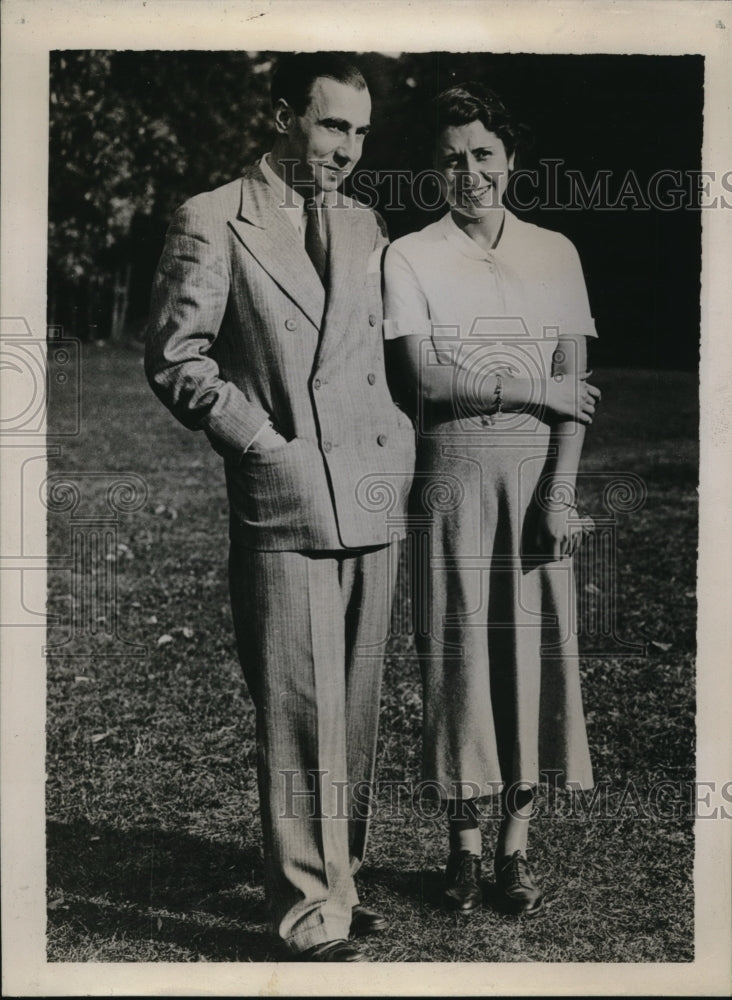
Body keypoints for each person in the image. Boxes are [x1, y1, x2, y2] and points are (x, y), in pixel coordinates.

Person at [145, 53, 415, 961]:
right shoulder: (213, 217)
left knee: (358, 708)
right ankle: (307, 906)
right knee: (298, 706)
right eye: (333, 125)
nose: (348, 149)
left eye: (361, 133)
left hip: (375, 493)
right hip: (287, 495)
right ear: (282, 116)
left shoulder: (366, 220)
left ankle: (342, 878)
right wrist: (262, 443)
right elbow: (178, 357)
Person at [383, 82, 600, 918]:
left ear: (509, 159)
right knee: (458, 662)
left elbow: (573, 383)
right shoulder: (409, 255)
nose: (468, 172)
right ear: (432, 173)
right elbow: (426, 380)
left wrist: (563, 493)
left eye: (481, 154)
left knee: (532, 661)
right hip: (451, 477)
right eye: (449, 159)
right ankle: (463, 855)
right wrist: (528, 388)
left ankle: (515, 853)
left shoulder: (555, 251)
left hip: (537, 476)